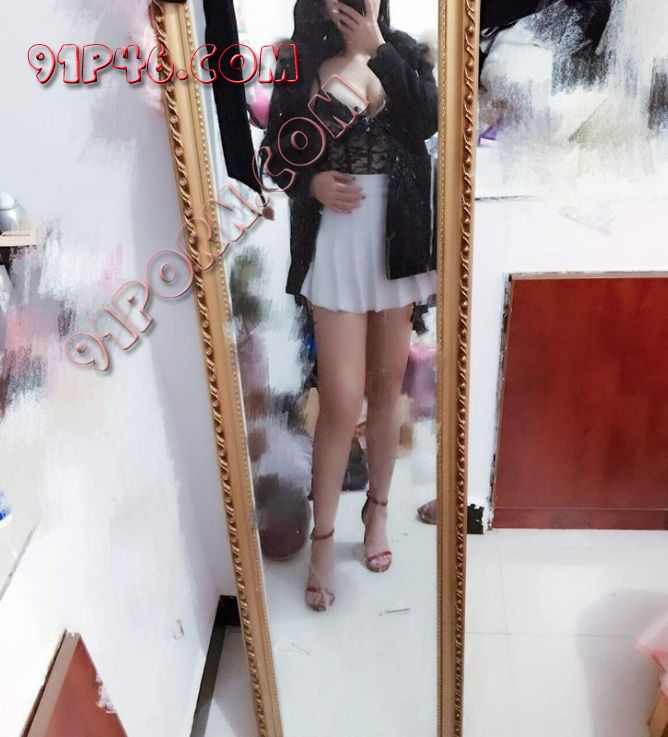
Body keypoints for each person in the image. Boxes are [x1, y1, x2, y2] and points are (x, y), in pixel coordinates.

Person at [260, 0, 438, 611]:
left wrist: (377, 51)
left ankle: (377, 513)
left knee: (387, 387)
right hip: (334, 242)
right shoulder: (296, 59)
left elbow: (427, 122)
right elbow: (273, 156)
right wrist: (309, 182)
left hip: (398, 237)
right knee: (339, 398)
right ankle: (323, 537)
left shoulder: (405, 52)